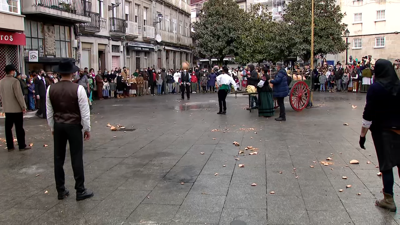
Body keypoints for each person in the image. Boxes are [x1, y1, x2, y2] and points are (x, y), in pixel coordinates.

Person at [46, 59, 93, 201]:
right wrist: (87, 128)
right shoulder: (78, 89)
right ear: (73, 73)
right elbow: (85, 112)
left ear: (59, 73)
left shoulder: (50, 89)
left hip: (59, 124)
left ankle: (60, 190)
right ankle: (80, 189)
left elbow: (49, 111)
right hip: (73, 125)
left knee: (58, 158)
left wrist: (52, 127)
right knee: (76, 156)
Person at [359, 59, 400, 212]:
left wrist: (362, 135)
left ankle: (388, 199)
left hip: (383, 132)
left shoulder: (375, 89)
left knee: (386, 165)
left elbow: (368, 114)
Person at [0, 65, 31, 152]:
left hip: (7, 108)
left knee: (8, 128)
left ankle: (10, 146)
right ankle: (21, 145)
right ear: (12, 71)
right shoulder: (15, 81)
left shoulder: (1, 82)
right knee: (19, 128)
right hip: (16, 108)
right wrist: (23, 106)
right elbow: (19, 95)